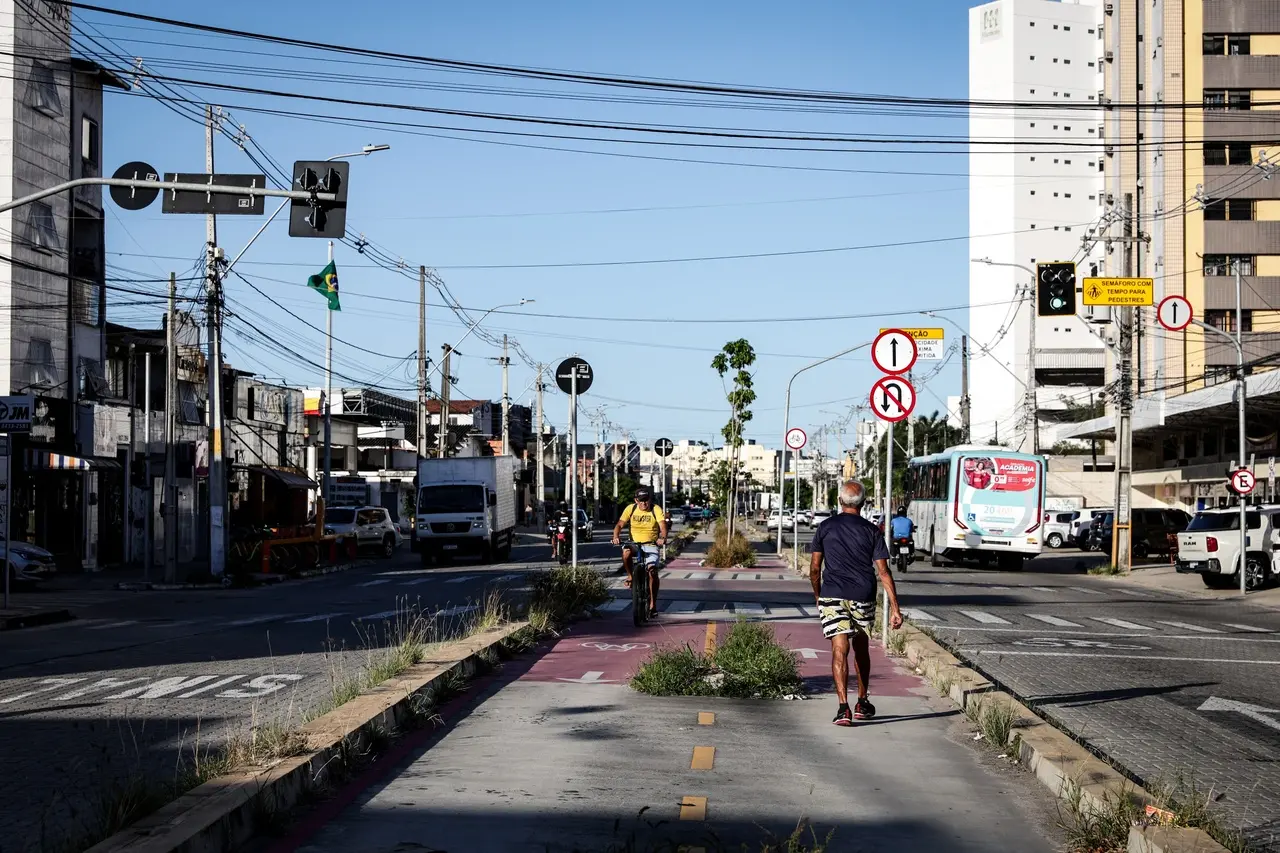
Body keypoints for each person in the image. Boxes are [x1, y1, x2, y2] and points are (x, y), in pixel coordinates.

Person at [810, 479, 904, 726]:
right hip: (863, 594)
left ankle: (843, 708)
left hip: (832, 594)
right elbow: (884, 571)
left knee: (839, 649)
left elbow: (814, 568)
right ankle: (862, 701)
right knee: (861, 647)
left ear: (840, 501)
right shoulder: (872, 531)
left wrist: (818, 595)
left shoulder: (825, 527)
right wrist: (895, 609)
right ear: (863, 503)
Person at [611, 487, 668, 618]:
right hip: (634, 543)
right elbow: (619, 524)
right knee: (626, 552)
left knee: (652, 571)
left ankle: (653, 605)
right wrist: (616, 536)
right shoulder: (630, 509)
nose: (644, 503)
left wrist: (663, 538)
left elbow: (663, 525)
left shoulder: (656, 509)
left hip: (651, 544)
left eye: (646, 500)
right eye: (641, 501)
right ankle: (631, 575)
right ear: (636, 500)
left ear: (650, 500)